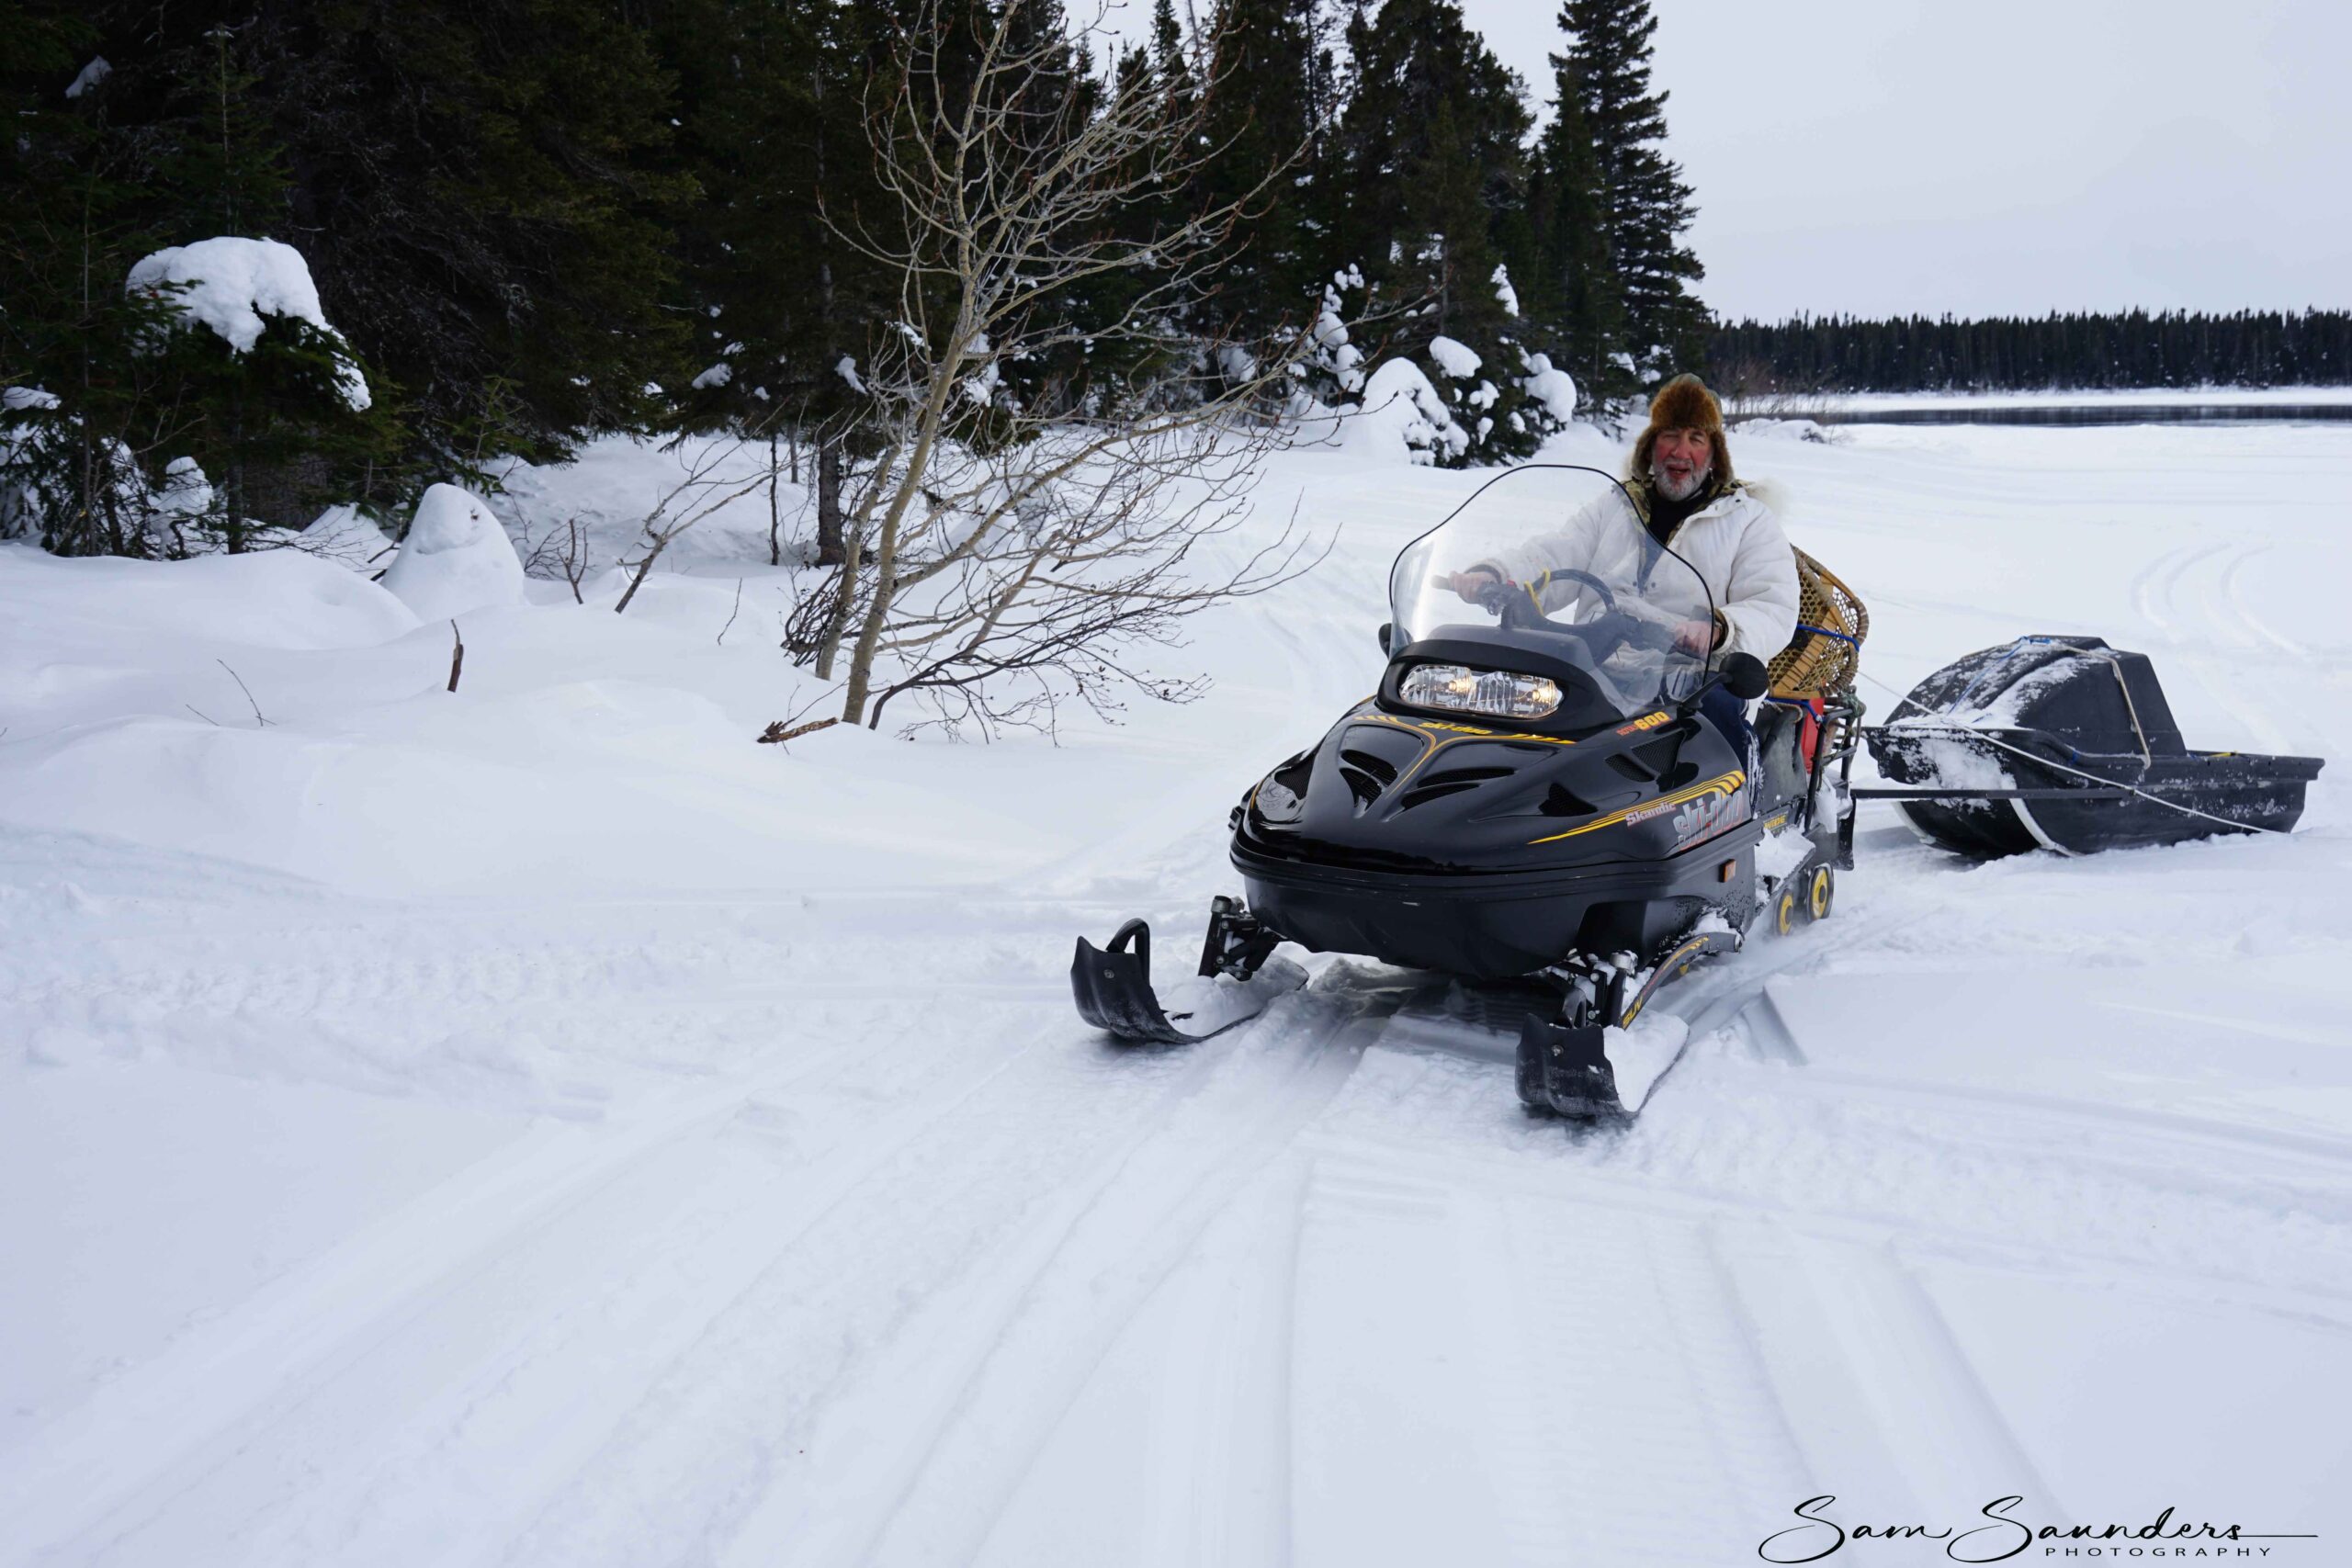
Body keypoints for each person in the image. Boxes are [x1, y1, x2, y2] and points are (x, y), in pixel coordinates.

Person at [1443, 373, 1798, 750]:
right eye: (1670, 435)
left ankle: (1742, 800)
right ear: (1651, 445)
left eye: (1696, 439)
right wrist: (1496, 574)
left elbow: (1773, 605)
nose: (1681, 451)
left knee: (1716, 744)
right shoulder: (1617, 504)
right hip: (1594, 664)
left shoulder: (1748, 519)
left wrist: (1719, 629)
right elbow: (1557, 551)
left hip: (1691, 678)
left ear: (1714, 455)